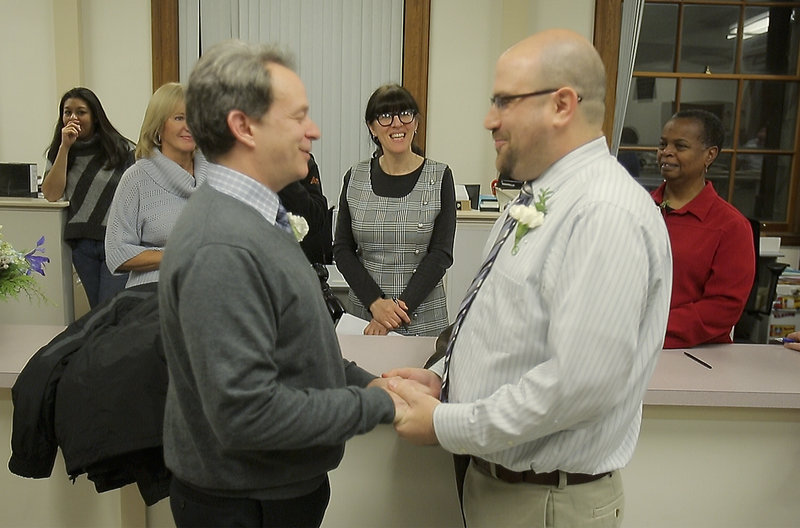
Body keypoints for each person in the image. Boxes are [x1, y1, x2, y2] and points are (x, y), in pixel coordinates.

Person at [384, 29, 672, 528]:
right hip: (500, 489)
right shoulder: (540, 196)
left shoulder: (602, 212)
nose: (489, 119)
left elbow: (578, 384)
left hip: (545, 504)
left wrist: (447, 423)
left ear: (561, 104)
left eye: (503, 101)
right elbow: (500, 323)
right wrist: (445, 376)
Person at [157, 40, 401, 528]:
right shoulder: (221, 245)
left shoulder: (255, 217)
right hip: (244, 505)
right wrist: (379, 404)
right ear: (243, 126)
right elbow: (246, 413)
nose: (314, 131)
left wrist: (372, 381)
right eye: (298, 117)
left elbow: (293, 349)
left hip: (270, 493)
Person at [333, 83, 456, 337]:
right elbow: (342, 250)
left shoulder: (440, 176)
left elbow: (441, 254)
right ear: (372, 127)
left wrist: (395, 312)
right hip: (366, 318)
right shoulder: (354, 177)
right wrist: (376, 303)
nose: (397, 123)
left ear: (416, 123)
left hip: (422, 320)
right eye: (386, 116)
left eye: (405, 114)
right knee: (364, 377)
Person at [652, 109, 755, 349]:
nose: (666, 152)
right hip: (624, 349)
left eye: (680, 146)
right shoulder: (636, 209)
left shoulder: (731, 226)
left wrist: (648, 328)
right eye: (663, 144)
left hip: (695, 357)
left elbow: (722, 309)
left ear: (710, 155)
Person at [105, 82, 209, 288]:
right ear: (158, 127)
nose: (189, 126)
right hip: (154, 293)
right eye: (179, 118)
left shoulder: (219, 177)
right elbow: (117, 253)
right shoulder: (136, 178)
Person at [42, 87, 134, 308]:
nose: (73, 117)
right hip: (83, 245)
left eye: (81, 112)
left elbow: (137, 192)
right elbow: (51, 194)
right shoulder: (59, 152)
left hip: (116, 242)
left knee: (111, 310)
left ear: (94, 116)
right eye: (67, 112)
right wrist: (65, 147)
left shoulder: (121, 148)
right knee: (98, 311)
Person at [279, 154, 332, 265]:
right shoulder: (244, 164)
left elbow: (316, 218)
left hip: (301, 261)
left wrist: (288, 179)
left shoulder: (304, 162)